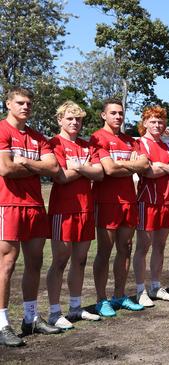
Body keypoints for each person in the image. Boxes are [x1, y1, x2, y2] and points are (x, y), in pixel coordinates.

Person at [0, 87, 61, 346]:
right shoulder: (2, 130)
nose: (25, 107)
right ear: (8, 104)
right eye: (20, 102)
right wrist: (36, 167)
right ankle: (3, 324)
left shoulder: (38, 137)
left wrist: (25, 162)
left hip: (36, 205)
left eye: (28, 103)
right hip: (8, 204)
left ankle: (30, 318)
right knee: (7, 264)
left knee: (34, 263)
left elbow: (54, 167)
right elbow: (5, 168)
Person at [45, 101, 103, 330]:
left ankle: (76, 308)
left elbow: (98, 174)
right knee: (60, 261)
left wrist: (77, 167)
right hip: (63, 210)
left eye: (78, 119)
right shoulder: (54, 144)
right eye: (69, 118)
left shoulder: (87, 145)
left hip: (85, 209)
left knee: (80, 260)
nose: (74, 123)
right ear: (60, 120)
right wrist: (84, 168)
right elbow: (59, 176)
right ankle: (54, 312)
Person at [90, 98, 149, 316]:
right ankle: (100, 299)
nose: (118, 117)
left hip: (129, 201)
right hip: (107, 202)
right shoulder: (98, 137)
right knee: (105, 251)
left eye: (121, 113)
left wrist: (122, 165)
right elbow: (109, 170)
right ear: (103, 115)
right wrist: (129, 166)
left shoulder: (130, 140)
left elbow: (144, 165)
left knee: (126, 248)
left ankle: (119, 295)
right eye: (113, 113)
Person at [132, 106, 169, 306]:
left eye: (160, 121)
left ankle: (155, 286)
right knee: (143, 247)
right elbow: (147, 172)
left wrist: (160, 165)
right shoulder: (139, 144)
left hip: (165, 201)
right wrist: (166, 168)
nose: (157, 125)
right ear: (145, 123)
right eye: (152, 121)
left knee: (160, 246)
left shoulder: (167, 146)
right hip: (147, 201)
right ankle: (140, 290)